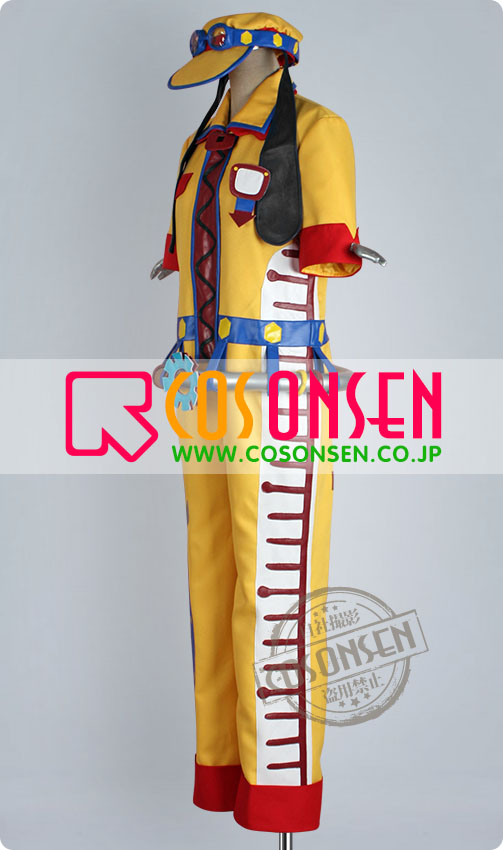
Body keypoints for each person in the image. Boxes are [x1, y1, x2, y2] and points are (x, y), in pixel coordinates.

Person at [152, 12, 363, 833]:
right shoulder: (197, 148)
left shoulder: (314, 131)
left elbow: (324, 255)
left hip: (279, 388)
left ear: (268, 52)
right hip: (198, 388)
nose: (225, 76)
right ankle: (222, 772)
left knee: (277, 589)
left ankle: (281, 796)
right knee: (211, 579)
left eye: (233, 60)